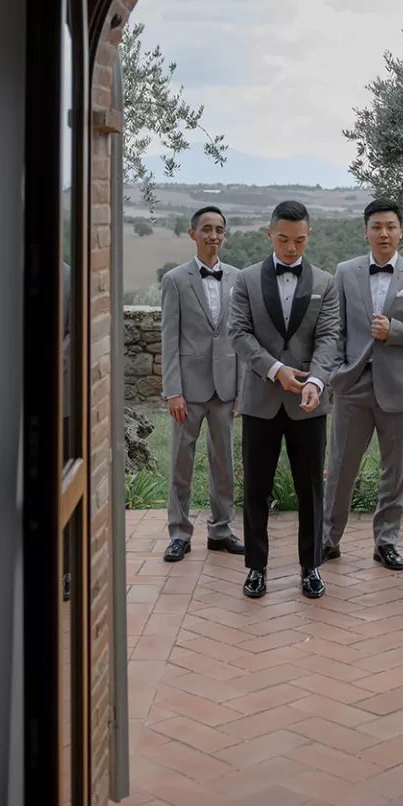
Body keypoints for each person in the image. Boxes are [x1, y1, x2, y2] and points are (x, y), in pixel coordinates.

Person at [228, 200, 339, 601]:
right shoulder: (245, 280)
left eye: (300, 240)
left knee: (311, 488)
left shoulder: (325, 283)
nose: (292, 248)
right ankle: (256, 568)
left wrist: (318, 381)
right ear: (269, 234)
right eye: (283, 239)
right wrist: (275, 369)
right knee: (256, 487)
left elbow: (329, 338)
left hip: (309, 402)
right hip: (261, 398)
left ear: (309, 236)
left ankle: (310, 567)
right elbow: (238, 334)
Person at [321, 200, 403, 571]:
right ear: (365, 231)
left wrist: (394, 332)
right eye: (376, 226)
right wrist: (336, 372)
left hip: (399, 388)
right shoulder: (345, 271)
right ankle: (328, 538)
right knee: (340, 467)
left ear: (400, 231)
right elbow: (334, 328)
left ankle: (386, 542)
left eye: (391, 226)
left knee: (395, 470)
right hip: (352, 384)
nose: (384, 233)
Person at [160, 206, 243, 562]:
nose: (213, 235)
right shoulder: (176, 280)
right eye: (206, 229)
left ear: (225, 235)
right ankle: (179, 532)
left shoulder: (239, 279)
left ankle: (221, 530)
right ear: (192, 234)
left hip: (226, 389)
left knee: (223, 462)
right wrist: (173, 390)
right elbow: (169, 339)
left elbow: (241, 336)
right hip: (188, 390)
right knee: (182, 462)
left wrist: (241, 388)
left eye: (219, 230)